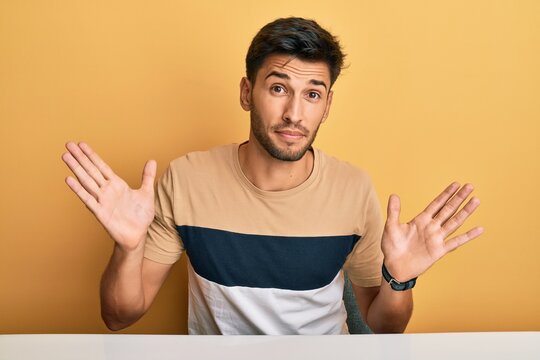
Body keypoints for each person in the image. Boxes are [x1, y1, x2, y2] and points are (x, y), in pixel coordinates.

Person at [62, 17, 483, 335]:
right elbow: (118, 316)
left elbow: (384, 328)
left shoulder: (353, 189)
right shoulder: (187, 179)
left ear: (327, 105)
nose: (294, 114)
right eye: (278, 88)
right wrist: (128, 248)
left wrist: (400, 279)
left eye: (312, 95)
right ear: (247, 93)